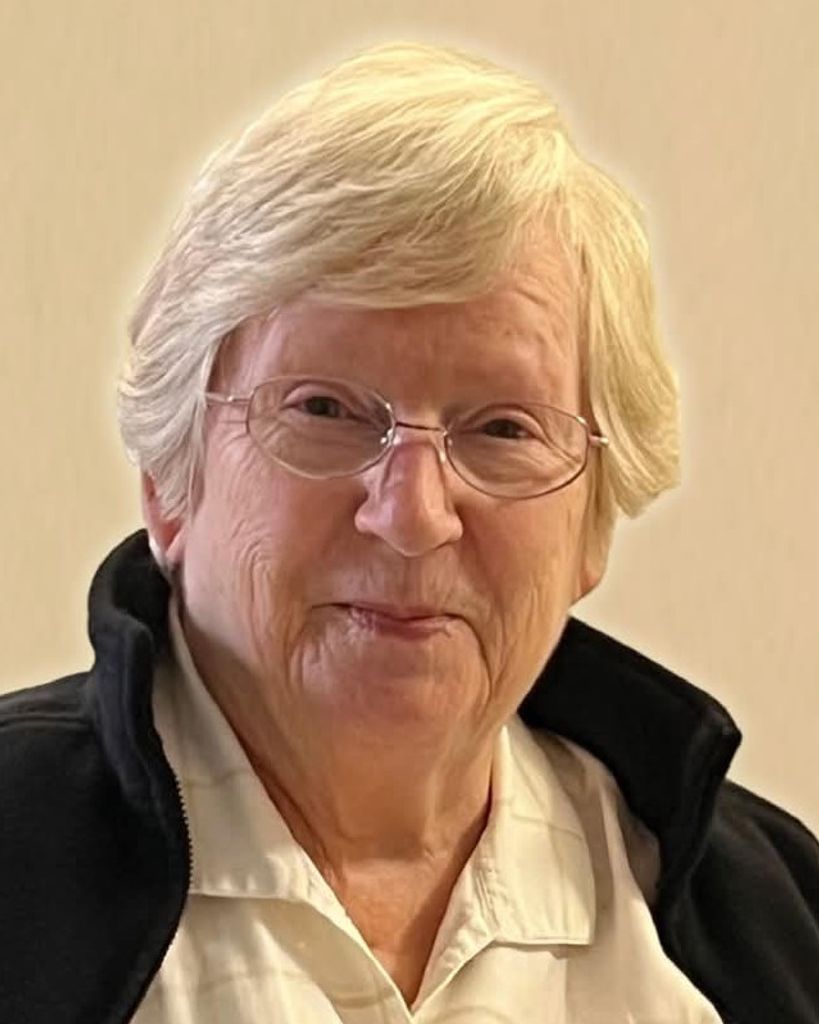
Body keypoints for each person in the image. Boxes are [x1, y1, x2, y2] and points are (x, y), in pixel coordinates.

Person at [1, 40, 817, 1024]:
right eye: (325, 409)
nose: (413, 514)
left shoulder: (776, 931)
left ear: (592, 525)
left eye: (504, 429)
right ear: (171, 481)